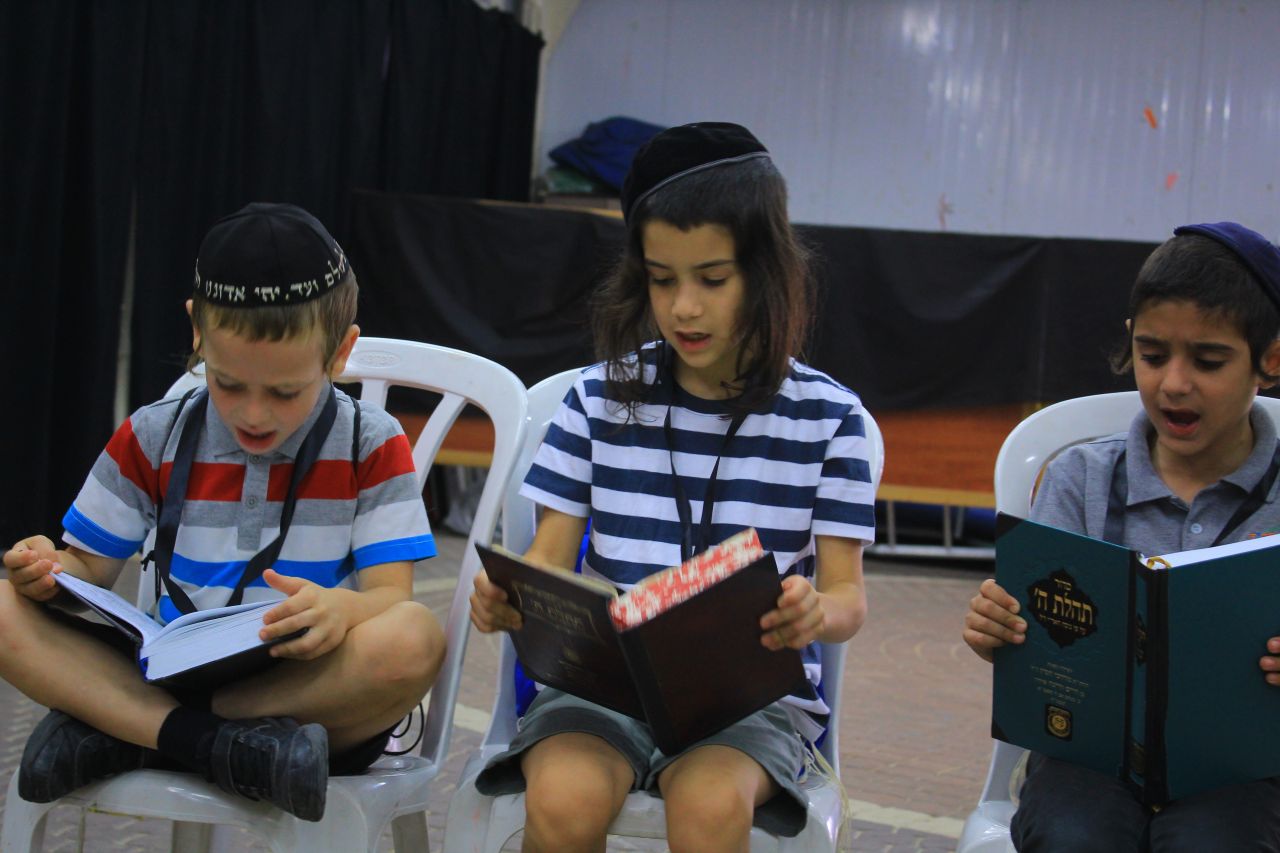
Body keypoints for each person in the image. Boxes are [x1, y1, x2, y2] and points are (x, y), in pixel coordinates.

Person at [469, 122, 877, 853]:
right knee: (561, 800)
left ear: (767, 271)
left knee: (710, 808)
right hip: (602, 688)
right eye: (663, 279)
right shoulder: (599, 398)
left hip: (746, 701)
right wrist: (512, 600)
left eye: (712, 279)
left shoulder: (830, 420)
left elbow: (848, 597)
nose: (685, 306)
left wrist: (816, 611)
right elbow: (549, 562)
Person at [0, 203, 444, 822]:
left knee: (415, 637)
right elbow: (87, 571)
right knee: (3, 608)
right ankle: (206, 742)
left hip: (301, 697)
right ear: (196, 332)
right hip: (170, 673)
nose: (253, 415)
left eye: (285, 392)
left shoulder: (370, 441)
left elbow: (391, 598)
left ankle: (145, 733)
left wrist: (342, 610)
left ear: (341, 352)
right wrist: (49, 571)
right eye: (227, 382)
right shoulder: (153, 433)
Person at [963, 221, 1280, 851]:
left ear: (1270, 360)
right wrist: (999, 632)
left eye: (1208, 361)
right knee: (1072, 837)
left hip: (1246, 772)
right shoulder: (1078, 478)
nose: (1174, 383)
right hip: (1087, 760)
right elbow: (1035, 647)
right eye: (1153, 355)